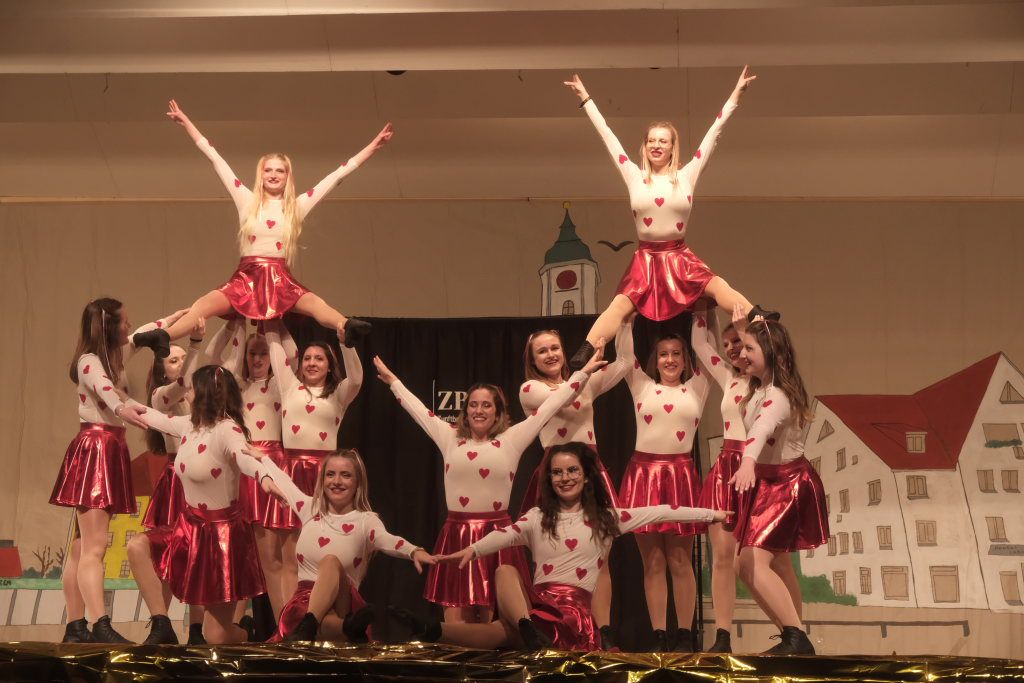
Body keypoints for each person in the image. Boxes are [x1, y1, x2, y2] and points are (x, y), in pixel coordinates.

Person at [390, 442, 727, 650]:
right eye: (557, 473)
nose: (565, 478)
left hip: (573, 616)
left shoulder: (607, 518)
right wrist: (471, 550)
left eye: (572, 471)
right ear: (549, 480)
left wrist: (712, 514)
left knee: (501, 631)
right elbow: (504, 535)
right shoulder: (537, 518)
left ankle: (435, 630)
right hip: (536, 608)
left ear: (586, 476)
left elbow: (664, 510)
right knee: (505, 570)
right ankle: (523, 630)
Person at [132, 100, 392, 359]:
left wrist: (372, 147)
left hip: (280, 277)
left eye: (280, 171)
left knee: (315, 304)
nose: (273, 175)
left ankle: (345, 325)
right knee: (204, 304)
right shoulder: (246, 200)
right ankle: (164, 335)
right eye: (268, 170)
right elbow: (216, 159)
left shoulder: (296, 206)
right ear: (261, 174)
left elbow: (336, 177)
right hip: (246, 277)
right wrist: (187, 123)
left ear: (288, 177)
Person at [561, 67, 776, 370]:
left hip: (679, 255)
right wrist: (586, 99)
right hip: (646, 258)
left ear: (673, 147)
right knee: (619, 305)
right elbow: (607, 136)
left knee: (717, 286)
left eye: (663, 141)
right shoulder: (634, 176)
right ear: (645, 146)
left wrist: (735, 95)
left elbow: (713, 133)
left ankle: (755, 314)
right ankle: (586, 347)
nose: (656, 145)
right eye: (652, 141)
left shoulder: (686, 175)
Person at [373, 346, 605, 625]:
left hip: (497, 537)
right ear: (465, 411)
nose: (479, 410)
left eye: (486, 405)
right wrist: (393, 382)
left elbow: (551, 406)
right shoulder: (449, 437)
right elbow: (418, 411)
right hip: (456, 534)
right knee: (456, 624)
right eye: (473, 405)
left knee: (492, 622)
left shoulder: (512, 439)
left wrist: (582, 373)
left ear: (498, 412)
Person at [50, 299, 181, 643]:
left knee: (82, 546)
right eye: (124, 321)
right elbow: (107, 392)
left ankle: (75, 627)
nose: (129, 326)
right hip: (96, 448)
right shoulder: (90, 362)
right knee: (94, 547)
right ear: (109, 326)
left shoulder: (113, 356)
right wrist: (127, 410)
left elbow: (144, 334)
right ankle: (99, 624)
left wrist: (179, 317)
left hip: (109, 447)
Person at [127, 365, 274, 645]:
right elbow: (152, 415)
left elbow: (243, 456)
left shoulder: (227, 429)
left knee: (215, 636)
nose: (187, 393)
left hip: (222, 539)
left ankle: (247, 633)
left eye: (192, 388)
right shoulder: (189, 426)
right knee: (137, 546)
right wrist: (117, 398)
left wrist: (264, 476)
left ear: (206, 393)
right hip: (189, 531)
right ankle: (161, 625)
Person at [517, 324, 632, 647]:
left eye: (555, 348)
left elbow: (625, 362)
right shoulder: (530, 389)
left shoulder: (584, 380)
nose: (550, 354)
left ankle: (602, 631)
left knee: (600, 557)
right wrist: (585, 372)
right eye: (542, 351)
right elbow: (561, 400)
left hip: (590, 471)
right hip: (555, 474)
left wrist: (626, 322)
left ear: (564, 351)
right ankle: (557, 627)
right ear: (532, 360)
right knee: (553, 554)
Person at [253, 449, 436, 641]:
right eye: (330, 474)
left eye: (346, 475)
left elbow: (387, 539)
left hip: (344, 603)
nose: (337, 481)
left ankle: (310, 625)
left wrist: (413, 551)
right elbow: (285, 483)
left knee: (330, 561)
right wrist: (264, 458)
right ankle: (343, 628)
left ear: (358, 483)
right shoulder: (310, 509)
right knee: (309, 617)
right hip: (304, 604)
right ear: (322, 480)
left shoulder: (366, 521)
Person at [731, 306, 827, 655]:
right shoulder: (761, 388)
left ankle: (795, 636)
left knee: (752, 562)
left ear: (771, 354)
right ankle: (793, 634)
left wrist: (747, 462)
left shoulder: (778, 397)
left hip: (787, 485)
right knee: (770, 563)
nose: (741, 354)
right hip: (770, 483)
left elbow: (761, 430)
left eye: (749, 349)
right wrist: (744, 329)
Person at [616, 306, 712, 651]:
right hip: (644, 476)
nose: (670, 360)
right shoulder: (641, 386)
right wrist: (626, 320)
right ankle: (658, 634)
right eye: (663, 354)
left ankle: (685, 635)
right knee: (653, 561)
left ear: (685, 361)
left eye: (676, 354)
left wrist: (703, 313)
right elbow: (624, 355)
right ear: (655, 361)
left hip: (680, 476)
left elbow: (706, 347)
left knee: (680, 560)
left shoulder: (698, 387)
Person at [263, 319, 363, 609]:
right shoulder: (289, 387)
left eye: (319, 358)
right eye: (307, 358)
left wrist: (346, 344)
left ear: (329, 366)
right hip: (291, 473)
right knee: (290, 555)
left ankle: (320, 617)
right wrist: (268, 318)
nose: (311, 363)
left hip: (325, 476)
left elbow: (356, 379)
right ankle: (289, 622)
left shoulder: (339, 395)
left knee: (324, 553)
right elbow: (275, 349)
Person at [141, 317, 218, 644]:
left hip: (202, 483)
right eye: (174, 361)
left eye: (184, 358)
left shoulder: (204, 399)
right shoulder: (161, 396)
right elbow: (184, 383)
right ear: (162, 372)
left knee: (198, 556)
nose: (182, 363)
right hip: (176, 482)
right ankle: (160, 623)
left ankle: (197, 630)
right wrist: (195, 344)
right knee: (166, 555)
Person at [691, 307, 749, 653]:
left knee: (760, 561)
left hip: (756, 469)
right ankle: (723, 636)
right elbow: (700, 344)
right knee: (723, 557)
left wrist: (746, 325)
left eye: (737, 341)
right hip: (726, 468)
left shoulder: (772, 379)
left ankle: (792, 632)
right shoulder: (729, 378)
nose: (730, 349)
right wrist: (704, 307)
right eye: (726, 344)